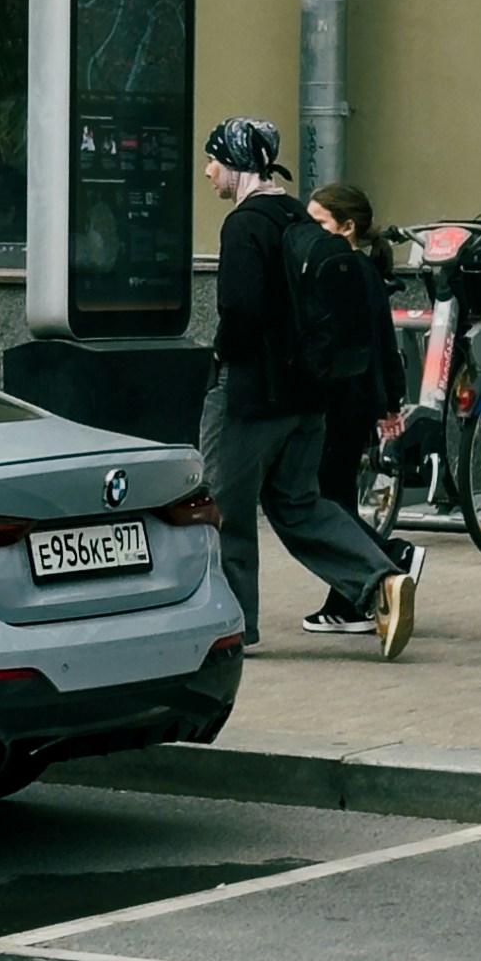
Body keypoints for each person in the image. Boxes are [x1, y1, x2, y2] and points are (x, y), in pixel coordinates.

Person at [198, 115, 420, 657]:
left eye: (215, 161)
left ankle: (233, 627)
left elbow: (241, 311)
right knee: (300, 504)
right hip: (309, 399)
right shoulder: (301, 216)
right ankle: (381, 578)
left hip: (251, 397)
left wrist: (221, 356)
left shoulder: (243, 226)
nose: (208, 173)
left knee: (222, 509)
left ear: (236, 164)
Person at [303, 179, 408, 634]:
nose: (308, 234)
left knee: (325, 500)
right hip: (357, 401)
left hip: (345, 402)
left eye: (318, 223)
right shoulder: (357, 269)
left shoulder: (346, 271)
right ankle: (351, 593)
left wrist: (387, 404)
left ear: (346, 227)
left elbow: (374, 342)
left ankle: (382, 564)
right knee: (334, 495)